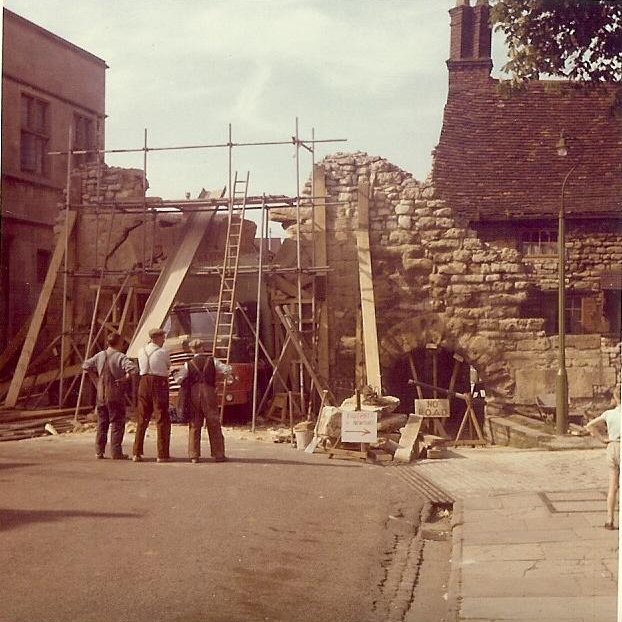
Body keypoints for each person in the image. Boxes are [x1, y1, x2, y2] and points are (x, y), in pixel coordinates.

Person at [174, 339, 231, 463]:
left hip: (194, 393)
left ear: (192, 350)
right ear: (202, 348)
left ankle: (194, 455)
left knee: (194, 423)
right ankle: (219, 454)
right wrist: (218, 378)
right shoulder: (212, 360)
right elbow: (227, 370)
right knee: (213, 422)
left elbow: (178, 379)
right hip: (209, 391)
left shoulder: (188, 364)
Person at [82, 332, 136, 460]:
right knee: (117, 423)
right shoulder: (121, 357)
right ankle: (116, 452)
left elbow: (85, 365)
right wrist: (124, 379)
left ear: (108, 343)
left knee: (102, 423)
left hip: (101, 395)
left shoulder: (100, 355)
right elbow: (133, 370)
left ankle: (99, 451)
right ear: (119, 343)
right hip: (115, 395)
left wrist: (95, 379)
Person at [133, 328, 172, 463]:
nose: (164, 340)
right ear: (156, 338)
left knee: (142, 418)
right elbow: (168, 365)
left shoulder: (141, 351)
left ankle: (136, 452)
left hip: (143, 382)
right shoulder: (162, 352)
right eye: (162, 337)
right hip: (158, 382)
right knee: (161, 418)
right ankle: (162, 454)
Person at [586, 386, 621, 530]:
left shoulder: (609, 414)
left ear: (615, 398)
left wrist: (601, 439)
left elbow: (589, 426)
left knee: (612, 486)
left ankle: (609, 519)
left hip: (612, 447)